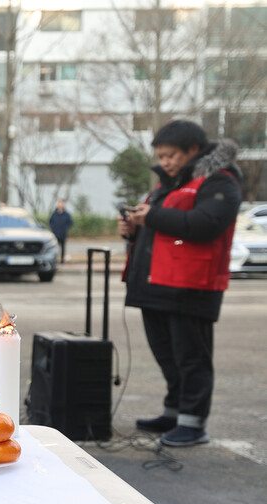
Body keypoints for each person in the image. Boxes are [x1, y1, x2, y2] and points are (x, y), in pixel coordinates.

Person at [119, 120, 241, 447]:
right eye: (161, 156)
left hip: (192, 287)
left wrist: (152, 217)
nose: (165, 162)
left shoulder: (220, 181)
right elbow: (161, 231)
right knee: (167, 355)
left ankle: (193, 423)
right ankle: (174, 414)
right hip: (154, 286)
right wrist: (134, 228)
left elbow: (206, 224)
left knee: (192, 358)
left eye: (171, 155)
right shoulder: (166, 186)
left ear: (193, 150)